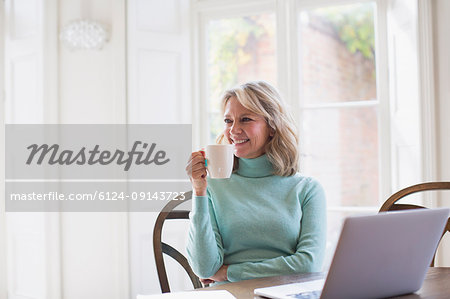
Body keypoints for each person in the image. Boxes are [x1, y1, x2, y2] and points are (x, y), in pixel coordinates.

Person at [185, 81, 326, 284]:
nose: (233, 130)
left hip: (288, 294)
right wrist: (198, 192)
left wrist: (229, 273)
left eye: (245, 119)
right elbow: (204, 267)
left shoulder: (307, 189)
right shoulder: (213, 187)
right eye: (228, 121)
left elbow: (309, 265)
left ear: (272, 126)